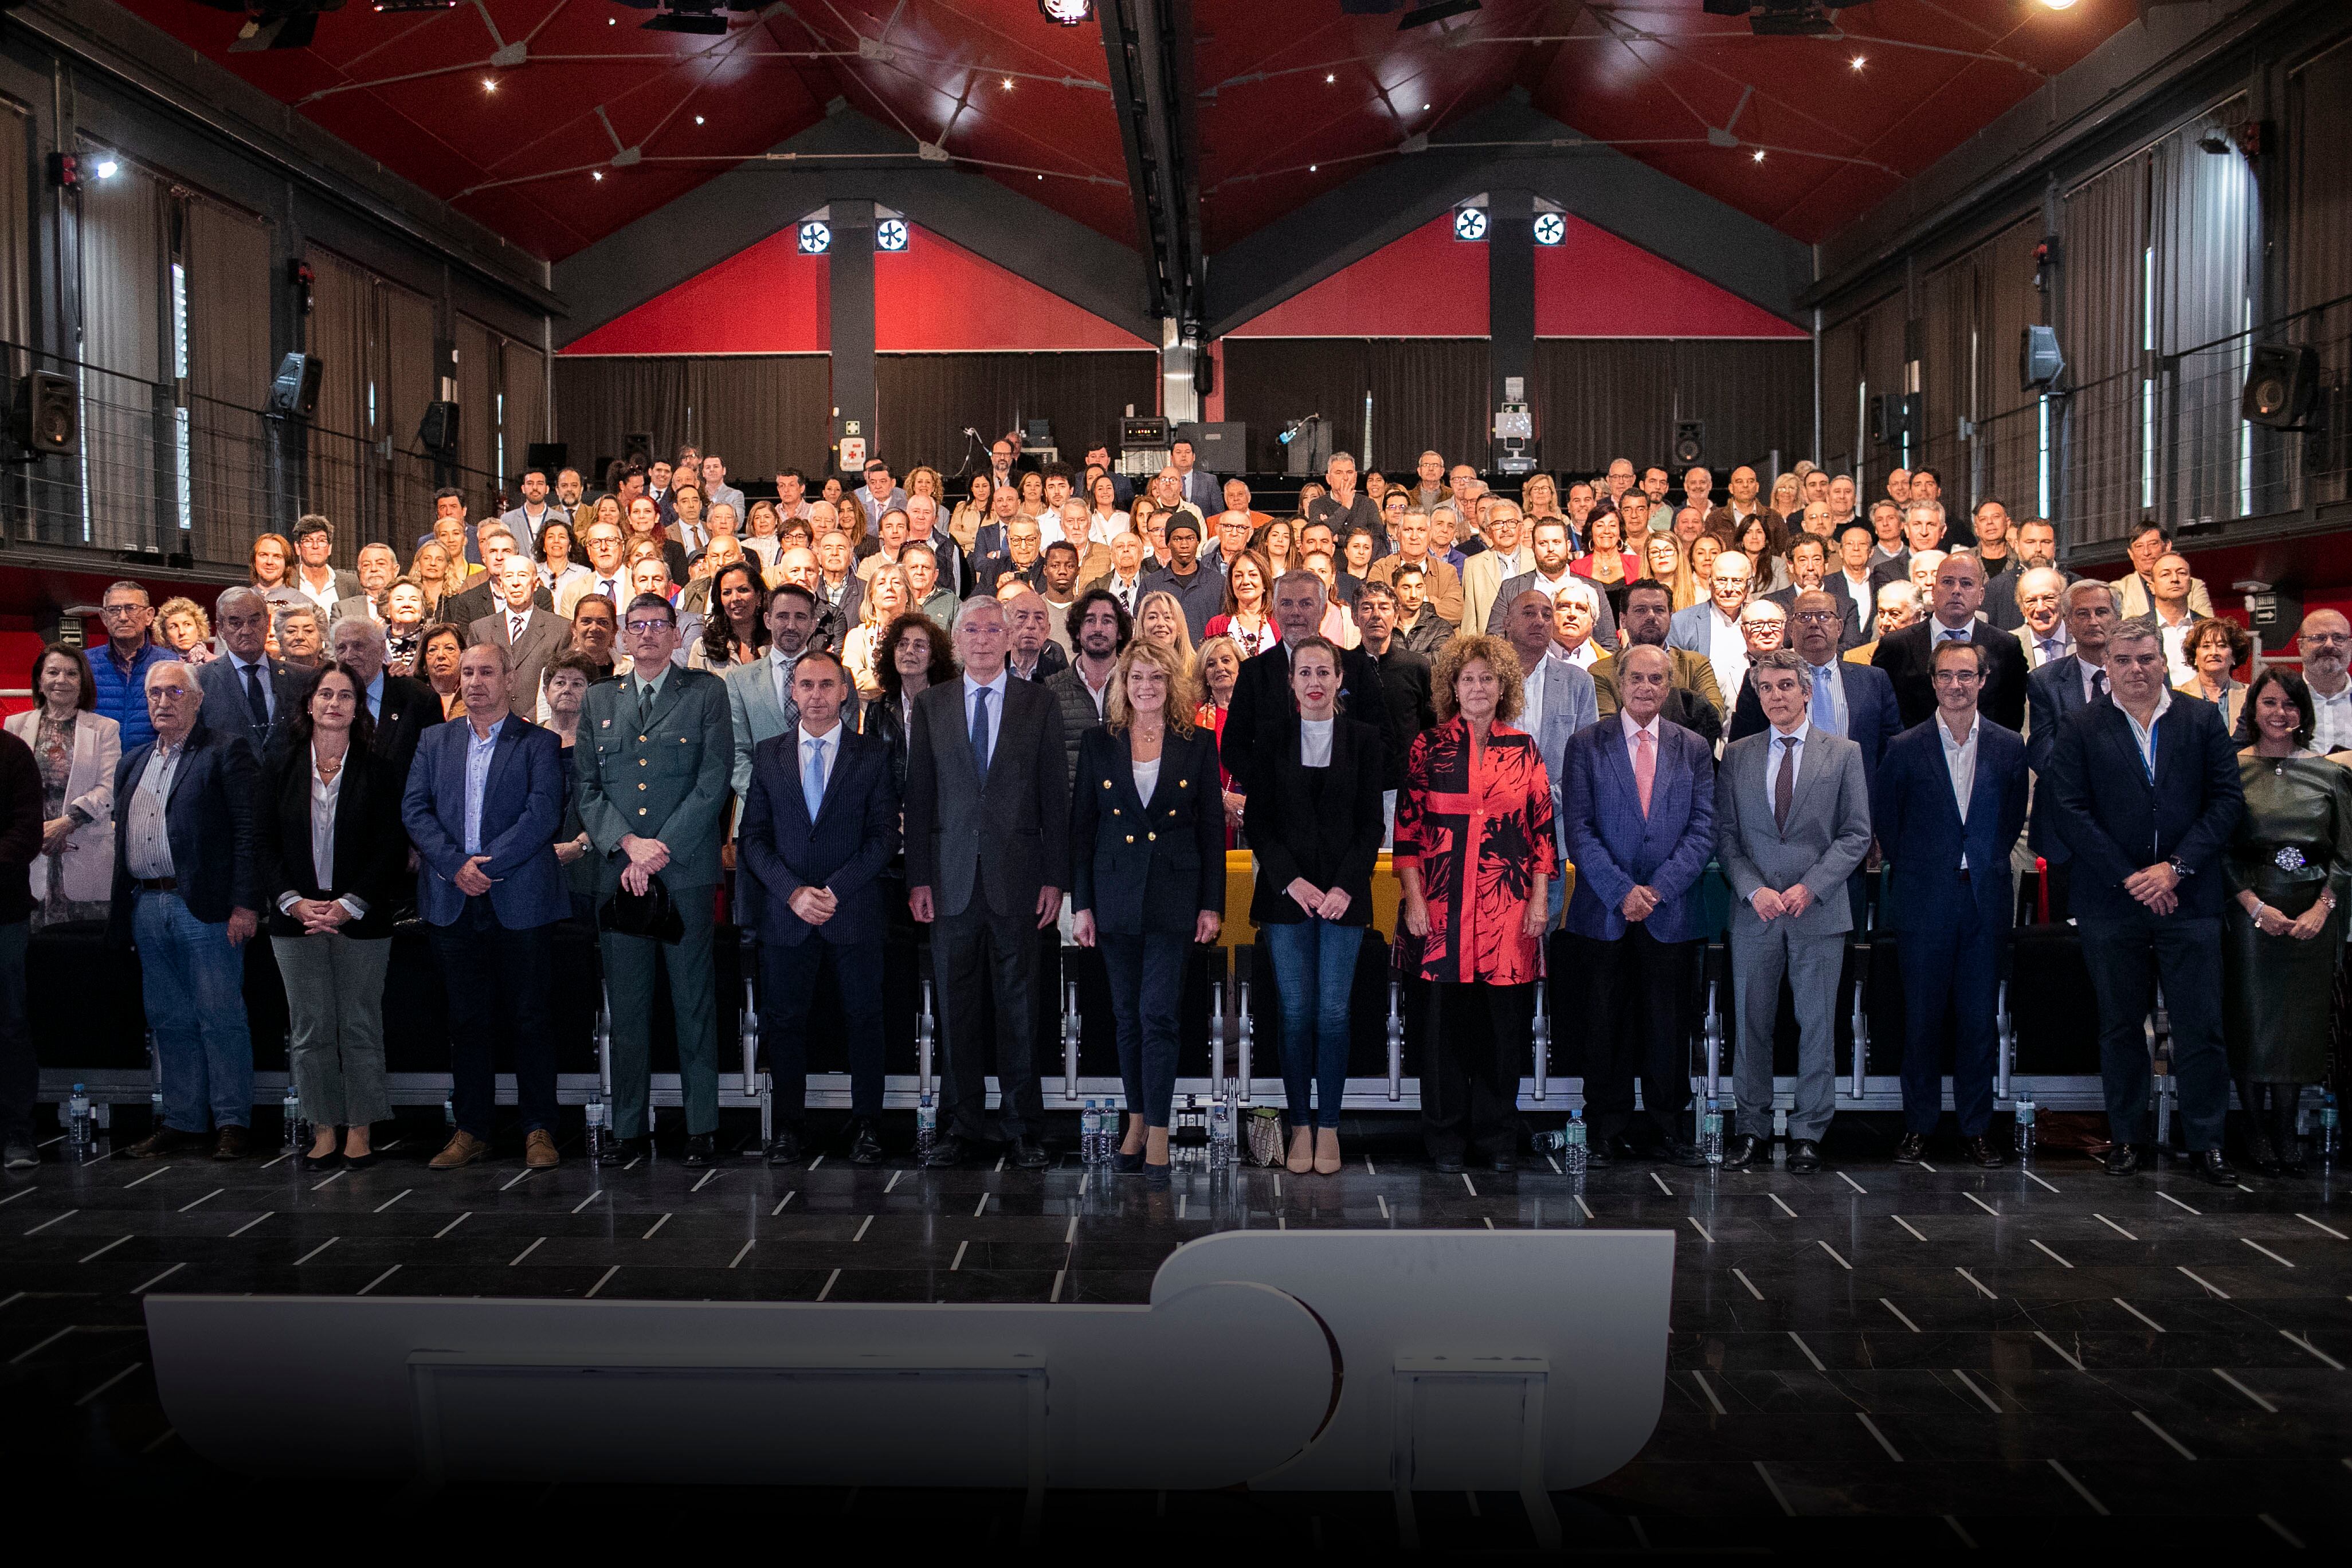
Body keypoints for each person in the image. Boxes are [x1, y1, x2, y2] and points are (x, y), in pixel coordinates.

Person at [2043, 619, 2245, 1183]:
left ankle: (2207, 1144)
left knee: (2200, 1026)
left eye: (2146, 659)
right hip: (2113, 901)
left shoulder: (2202, 720)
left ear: (2163, 664)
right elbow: (2071, 810)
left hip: (2190, 897)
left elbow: (2227, 802)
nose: (2136, 669)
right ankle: (2127, 1138)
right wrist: (2135, 877)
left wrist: (2174, 870)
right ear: (2106, 667)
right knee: (2120, 1026)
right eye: (2125, 660)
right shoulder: (2080, 726)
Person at [903, 597, 1069, 1170]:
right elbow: (919, 796)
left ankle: (1024, 1128)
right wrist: (918, 878)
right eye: (970, 629)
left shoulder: (1039, 703)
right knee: (957, 1009)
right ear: (957, 638)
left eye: (992, 629)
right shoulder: (931, 704)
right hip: (948, 882)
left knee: (1021, 1011)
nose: (981, 638)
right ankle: (960, 1125)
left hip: (1020, 881)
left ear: (1009, 638)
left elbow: (1055, 796)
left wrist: (1056, 878)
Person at [577, 594, 734, 1167]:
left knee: (693, 1003)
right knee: (628, 1009)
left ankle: (701, 1127)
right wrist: (629, 847)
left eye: (657, 626)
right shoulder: (599, 699)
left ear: (675, 635)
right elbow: (588, 788)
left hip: (684, 873)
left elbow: (714, 780)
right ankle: (627, 1129)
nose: (646, 634)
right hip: (620, 875)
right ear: (623, 636)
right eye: (637, 626)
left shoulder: (705, 693)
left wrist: (657, 850)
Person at [402, 642, 568, 1170]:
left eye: (487, 672)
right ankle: (471, 1129)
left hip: (520, 898)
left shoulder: (538, 742)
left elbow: (542, 816)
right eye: (468, 672)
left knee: (532, 1018)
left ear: (510, 679)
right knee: (466, 1020)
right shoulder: (434, 740)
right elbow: (415, 809)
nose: (475, 681)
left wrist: (487, 868)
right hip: (452, 899)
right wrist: (456, 866)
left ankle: (539, 1129)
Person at [1397, 634, 1556, 1174]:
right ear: (1452, 687)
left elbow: (1541, 832)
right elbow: (1408, 833)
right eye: (1468, 679)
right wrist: (1414, 901)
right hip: (1439, 909)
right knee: (1442, 1034)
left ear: (1503, 685)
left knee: (1500, 1032)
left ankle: (1496, 1140)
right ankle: (1443, 1141)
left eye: (1487, 678)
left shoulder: (1524, 747)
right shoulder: (1428, 746)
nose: (1478, 687)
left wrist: (1539, 901)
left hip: (1508, 911)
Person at [738, 645, 900, 1167]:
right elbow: (754, 840)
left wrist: (834, 891)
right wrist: (792, 892)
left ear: (845, 691)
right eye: (806, 685)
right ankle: (788, 1126)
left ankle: (868, 1125)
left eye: (826, 685)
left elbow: (882, 839)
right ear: (793, 692)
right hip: (787, 915)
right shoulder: (768, 755)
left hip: (850, 911)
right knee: (784, 1023)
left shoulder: (872, 755)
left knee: (865, 1020)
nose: (815, 695)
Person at [1071, 640, 1225, 1183]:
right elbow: (1082, 830)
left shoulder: (1197, 744)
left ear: (1172, 685)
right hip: (1114, 898)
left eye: (1157, 678)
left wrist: (1212, 904)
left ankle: (1157, 1130)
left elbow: (1212, 831)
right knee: (1126, 1018)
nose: (1146, 688)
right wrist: (1082, 905)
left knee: (1159, 1014)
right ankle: (1134, 1121)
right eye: (1137, 678)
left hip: (1174, 898)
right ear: (1122, 684)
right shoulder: (1098, 743)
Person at [1714, 649, 1872, 1175]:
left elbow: (1856, 834)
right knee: (1751, 1026)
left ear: (1808, 692)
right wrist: (1752, 890)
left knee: (1816, 1026)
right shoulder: (1737, 755)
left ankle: (1809, 1133)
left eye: (1786, 686)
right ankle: (1751, 1130)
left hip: (1818, 911)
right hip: (1756, 912)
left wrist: (1813, 885)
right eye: (1766, 688)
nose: (1777, 696)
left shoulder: (1843, 752)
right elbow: (1727, 839)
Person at [1872, 640, 2030, 1167]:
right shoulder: (1904, 747)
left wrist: (1977, 863)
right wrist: (1927, 868)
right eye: (1946, 676)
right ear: (1933, 682)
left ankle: (1976, 1129)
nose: (1957, 685)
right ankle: (1918, 1127)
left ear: (1983, 680)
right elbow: (1889, 826)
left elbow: (2009, 821)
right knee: (1920, 1021)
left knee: (1979, 1021)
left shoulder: (2010, 746)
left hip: (1984, 900)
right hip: (1923, 902)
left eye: (1967, 675)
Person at [1559, 644, 1715, 1164]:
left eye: (1656, 680)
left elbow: (1704, 828)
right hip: (1604, 909)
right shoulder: (1586, 744)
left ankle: (1670, 1128)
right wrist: (1622, 891)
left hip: (1670, 910)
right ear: (1619, 683)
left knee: (1669, 1024)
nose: (1646, 688)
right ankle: (1605, 1129)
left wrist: (1658, 890)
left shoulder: (1693, 747)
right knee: (1604, 1023)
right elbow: (1578, 829)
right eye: (1637, 679)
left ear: (1668, 686)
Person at [1234, 635, 1383, 1176]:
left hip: (1346, 897)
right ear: (1292, 682)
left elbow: (1372, 824)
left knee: (1334, 1013)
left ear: (1340, 679)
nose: (1316, 682)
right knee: (1296, 1014)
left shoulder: (1365, 740)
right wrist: (1292, 882)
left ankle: (1330, 1128)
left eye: (1325, 672)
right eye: (1305, 673)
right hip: (1285, 897)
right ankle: (1300, 1125)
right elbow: (1260, 823)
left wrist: (1344, 886)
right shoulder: (1271, 738)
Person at [254, 662, 407, 1169]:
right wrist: (292, 901)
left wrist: (348, 905)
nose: (334, 704)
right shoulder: (280, 763)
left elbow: (390, 848)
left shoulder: (380, 767)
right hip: (294, 916)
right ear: (309, 703)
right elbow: (262, 843)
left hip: (360, 917)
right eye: (325, 694)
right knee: (310, 1027)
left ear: (358, 707)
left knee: (360, 1025)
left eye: (345, 696)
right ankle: (322, 1126)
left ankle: (360, 1128)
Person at [113, 663, 261, 1161]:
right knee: (169, 1021)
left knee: (220, 1017)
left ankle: (233, 1122)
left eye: (174, 691)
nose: (162, 701)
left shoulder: (224, 749)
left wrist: (245, 903)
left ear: (196, 700)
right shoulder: (132, 762)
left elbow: (248, 831)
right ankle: (183, 1120)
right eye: (154, 693)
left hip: (206, 908)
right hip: (147, 904)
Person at [2222, 669, 2351, 1175]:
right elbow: (2220, 849)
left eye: (2291, 704)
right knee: (2252, 1020)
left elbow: (2345, 854)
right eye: (2270, 703)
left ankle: (2286, 1130)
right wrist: (2254, 906)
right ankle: (2254, 1129)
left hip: (2313, 918)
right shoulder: (2231, 771)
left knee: (2299, 1026)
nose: (2280, 713)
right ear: (2253, 710)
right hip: (2251, 916)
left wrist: (2322, 908)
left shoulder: (2331, 773)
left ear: (2304, 713)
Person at [1219, 570, 1397, 801]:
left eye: (1305, 604)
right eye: (1286, 603)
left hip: (1342, 808)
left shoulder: (1355, 667)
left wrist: (1346, 783)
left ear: (1323, 610)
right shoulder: (1254, 672)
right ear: (1275, 610)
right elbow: (1233, 747)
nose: (1295, 613)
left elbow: (1382, 741)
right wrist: (1271, 786)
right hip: (1276, 812)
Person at [1729, 591, 1902, 795]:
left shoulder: (1873, 681)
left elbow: (1891, 753)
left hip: (1857, 803)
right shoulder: (1761, 680)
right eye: (1803, 617)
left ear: (1839, 627)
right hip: (1787, 805)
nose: (1813, 624)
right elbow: (1742, 753)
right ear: (1791, 629)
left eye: (1823, 616)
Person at [6, 646, 120, 928]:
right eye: (53, 672)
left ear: (83, 682)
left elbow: (109, 788)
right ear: (40, 680)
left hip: (84, 849)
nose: (62, 680)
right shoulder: (15, 725)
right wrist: (34, 834)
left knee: (84, 959)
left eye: (72, 673)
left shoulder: (106, 728)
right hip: (28, 856)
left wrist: (67, 823)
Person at [1873, 551, 2029, 731]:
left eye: (1966, 583)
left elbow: (2011, 719)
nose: (1956, 590)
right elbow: (1881, 715)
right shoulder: (1895, 647)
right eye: (1948, 582)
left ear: (1981, 596)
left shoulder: (2007, 648)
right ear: (1933, 592)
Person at [1350, 581, 1436, 841]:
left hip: (1405, 790)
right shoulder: (1342, 667)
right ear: (1355, 617)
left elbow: (1430, 728)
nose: (1376, 615)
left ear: (1396, 616)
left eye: (1384, 607)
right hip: (1355, 789)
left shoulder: (1418, 667)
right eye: (1367, 608)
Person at [328, 615, 440, 785]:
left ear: (381, 649)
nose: (349, 655)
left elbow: (435, 769)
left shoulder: (418, 699)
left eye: (359, 646)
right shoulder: (326, 698)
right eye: (341, 648)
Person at [0, 718, 37, 1170]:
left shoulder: (12, 754)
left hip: (3, 913)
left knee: (9, 1023)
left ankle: (17, 1133)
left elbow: (26, 832)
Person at [866, 611, 955, 801]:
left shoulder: (952, 707)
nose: (909, 652)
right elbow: (870, 773)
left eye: (920, 646)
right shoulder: (878, 710)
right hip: (893, 811)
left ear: (933, 658)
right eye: (902, 644)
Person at [469, 557, 570, 721]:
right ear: (502, 584)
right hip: (490, 725)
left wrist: (529, 718)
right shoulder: (480, 629)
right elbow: (473, 681)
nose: (515, 583)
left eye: (522, 575)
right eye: (509, 576)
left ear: (536, 583)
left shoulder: (560, 629)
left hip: (539, 726)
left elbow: (562, 683)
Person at [87, 581, 179, 755]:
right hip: (99, 769)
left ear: (149, 615)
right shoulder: (85, 664)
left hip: (152, 768)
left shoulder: (171, 664)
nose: (123, 617)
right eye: (114, 610)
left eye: (131, 608)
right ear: (104, 617)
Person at [1140, 516, 1223, 645]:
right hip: (1163, 661)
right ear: (1168, 543)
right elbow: (1141, 629)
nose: (1184, 545)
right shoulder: (1151, 584)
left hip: (1205, 661)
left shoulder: (1218, 583)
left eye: (1190, 539)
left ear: (1198, 541)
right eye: (1177, 539)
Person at [842, 562, 912, 700]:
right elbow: (851, 679)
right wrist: (897, 678)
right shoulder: (858, 636)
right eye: (881, 584)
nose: (889, 588)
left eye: (897, 583)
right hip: (869, 716)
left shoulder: (921, 635)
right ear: (871, 597)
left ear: (908, 595)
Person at [689, 562, 770, 673]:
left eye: (743, 590)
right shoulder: (703, 647)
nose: (735, 598)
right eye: (727, 593)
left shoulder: (776, 644)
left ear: (759, 596)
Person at [2176, 615, 2251, 732]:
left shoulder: (2250, 696)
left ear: (2234, 656)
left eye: (2222, 646)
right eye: (2206, 646)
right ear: (2195, 656)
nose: (2214, 652)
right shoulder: (2177, 696)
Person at [1204, 550, 1279, 658]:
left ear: (1265, 583)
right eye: (1238, 576)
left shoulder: (1280, 623)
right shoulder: (1216, 626)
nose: (1245, 581)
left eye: (1253, 575)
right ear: (1231, 583)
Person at [2298, 610, 2352, 754]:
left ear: (2350, 646)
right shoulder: (2278, 697)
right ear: (2301, 646)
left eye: (2339, 638)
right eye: (2319, 638)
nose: (2329, 645)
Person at [2012, 566, 2073, 669]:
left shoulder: (2082, 639)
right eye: (2031, 601)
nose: (2040, 608)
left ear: (2063, 601)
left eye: (2048, 598)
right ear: (2022, 608)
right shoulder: (2007, 646)